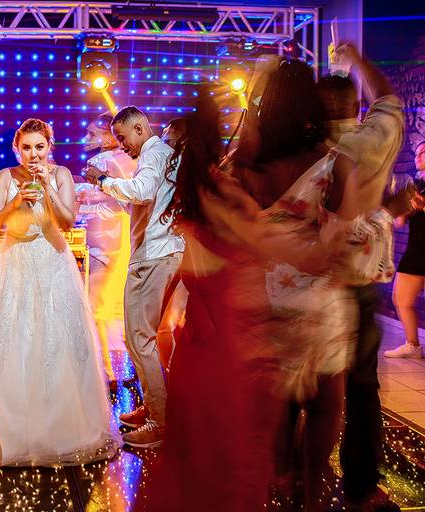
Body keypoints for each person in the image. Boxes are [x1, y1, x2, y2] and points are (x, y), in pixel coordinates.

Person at [139, 90, 284, 512]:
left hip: (214, 328)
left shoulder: (211, 182)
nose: (248, 132)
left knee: (209, 445)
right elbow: (219, 254)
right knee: (222, 443)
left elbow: (196, 258)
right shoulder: (221, 186)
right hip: (222, 332)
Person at [0, 118, 120, 466]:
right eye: (26, 147)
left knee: (54, 342)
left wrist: (49, 188)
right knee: (12, 339)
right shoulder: (5, 177)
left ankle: (57, 428)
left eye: (39, 147)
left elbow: (68, 221)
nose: (33, 154)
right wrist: (14, 204)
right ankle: (7, 429)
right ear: (17, 148)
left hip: (52, 262)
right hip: (13, 261)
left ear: (49, 147)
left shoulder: (61, 175)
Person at [235, 59, 362, 512]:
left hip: (264, 299)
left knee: (278, 404)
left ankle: (278, 483)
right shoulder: (334, 164)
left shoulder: (250, 164)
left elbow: (232, 217)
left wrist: (251, 106)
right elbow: (347, 236)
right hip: (318, 298)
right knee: (326, 404)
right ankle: (311, 494)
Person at [318, 42, 406, 512]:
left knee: (305, 384)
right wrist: (354, 60)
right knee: (361, 386)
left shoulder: (303, 151)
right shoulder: (368, 141)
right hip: (353, 286)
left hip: (303, 286)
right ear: (356, 104)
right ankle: (359, 487)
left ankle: (297, 470)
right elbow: (389, 98)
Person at [85, 106, 183, 448]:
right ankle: (156, 407)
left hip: (153, 256)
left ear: (140, 128)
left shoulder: (154, 153)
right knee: (145, 336)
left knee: (138, 338)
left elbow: (142, 191)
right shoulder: (163, 154)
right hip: (160, 252)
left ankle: (159, 420)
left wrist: (102, 180)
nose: (122, 147)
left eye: (123, 138)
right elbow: (147, 200)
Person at [79, 113, 136, 380]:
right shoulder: (135, 160)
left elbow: (90, 199)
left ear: (108, 134)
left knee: (95, 307)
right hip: (126, 239)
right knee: (122, 307)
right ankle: (133, 370)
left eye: (92, 134)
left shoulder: (99, 162)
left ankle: (106, 373)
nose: (87, 139)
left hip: (102, 242)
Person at [386, 140, 425, 360]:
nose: (417, 157)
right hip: (416, 250)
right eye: (416, 154)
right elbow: (400, 222)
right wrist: (399, 206)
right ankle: (413, 345)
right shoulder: (415, 186)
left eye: (422, 153)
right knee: (401, 299)